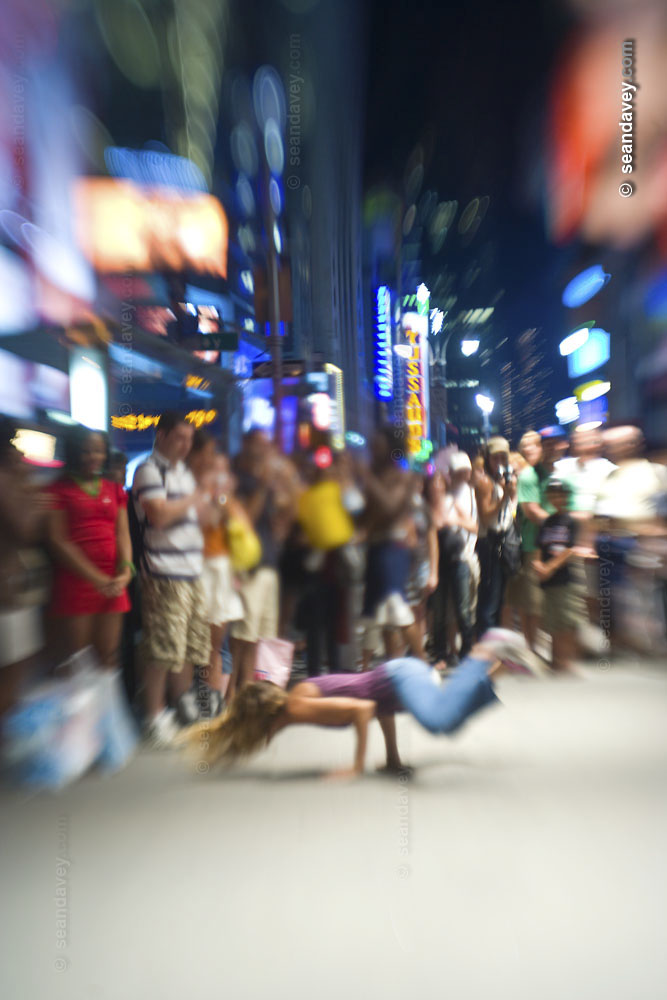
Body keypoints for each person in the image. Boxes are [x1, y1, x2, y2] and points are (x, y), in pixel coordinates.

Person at [183, 628, 543, 779]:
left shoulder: (296, 707)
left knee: (438, 722)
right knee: (447, 721)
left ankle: (486, 647)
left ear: (263, 720)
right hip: (395, 681)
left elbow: (363, 710)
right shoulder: (295, 703)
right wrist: (392, 759)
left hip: (399, 678)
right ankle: (500, 669)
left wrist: (355, 766)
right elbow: (377, 705)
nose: (263, 741)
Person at [132, 411, 211, 746]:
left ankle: (181, 707)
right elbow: (159, 515)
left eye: (190, 439)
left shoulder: (184, 473)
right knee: (164, 646)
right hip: (164, 571)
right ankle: (154, 715)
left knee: (189, 646)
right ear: (161, 435)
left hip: (192, 570)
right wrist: (196, 499)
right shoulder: (149, 470)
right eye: (180, 437)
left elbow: (200, 518)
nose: (186, 445)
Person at [46, 425, 132, 669]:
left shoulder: (114, 489)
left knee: (108, 658)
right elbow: (57, 540)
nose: (94, 457)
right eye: (86, 451)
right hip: (76, 582)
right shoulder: (58, 489)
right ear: (73, 453)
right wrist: (96, 578)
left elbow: (122, 534)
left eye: (99, 451)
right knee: (75, 662)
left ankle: (107, 708)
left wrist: (125, 571)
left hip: (113, 582)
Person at [187, 430, 244, 715]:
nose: (212, 460)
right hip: (197, 567)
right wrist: (217, 497)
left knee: (216, 643)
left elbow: (236, 524)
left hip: (219, 566)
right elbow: (204, 521)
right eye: (208, 453)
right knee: (199, 644)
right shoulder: (190, 486)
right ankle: (202, 703)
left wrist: (223, 497)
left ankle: (214, 703)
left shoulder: (216, 489)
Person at [357, 427, 423, 666]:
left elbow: (390, 507)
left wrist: (367, 479)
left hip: (393, 548)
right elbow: (367, 516)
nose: (372, 448)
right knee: (376, 612)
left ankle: (422, 663)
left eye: (378, 444)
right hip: (375, 548)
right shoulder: (376, 476)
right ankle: (385, 669)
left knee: (396, 606)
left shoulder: (403, 477)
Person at [0, 417, 48, 717]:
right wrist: (31, 490)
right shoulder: (5, 479)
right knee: (12, 672)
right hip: (8, 592)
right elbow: (26, 527)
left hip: (10, 590)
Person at [515, 427, 573, 651]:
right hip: (534, 547)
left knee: (555, 601)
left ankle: (551, 650)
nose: (551, 447)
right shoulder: (529, 475)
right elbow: (531, 511)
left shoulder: (560, 474)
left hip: (558, 548)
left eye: (554, 443)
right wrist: (561, 525)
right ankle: (531, 650)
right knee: (533, 604)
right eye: (546, 443)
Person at [533, 477, 592, 673]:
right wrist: (538, 565)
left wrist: (549, 567)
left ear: (566, 497)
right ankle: (555, 659)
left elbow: (570, 549)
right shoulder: (547, 522)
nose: (556, 498)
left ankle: (566, 660)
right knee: (551, 620)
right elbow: (539, 547)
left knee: (567, 620)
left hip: (565, 577)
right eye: (552, 495)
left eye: (560, 494)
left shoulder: (572, 522)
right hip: (548, 580)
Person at [475, 437, 517, 633]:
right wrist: (505, 498)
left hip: (501, 543)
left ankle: (493, 650)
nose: (500, 461)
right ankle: (486, 651)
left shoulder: (501, 480)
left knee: (499, 599)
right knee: (489, 601)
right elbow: (485, 517)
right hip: (490, 544)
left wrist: (511, 494)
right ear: (487, 458)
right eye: (495, 458)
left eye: (503, 457)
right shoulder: (485, 481)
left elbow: (509, 512)